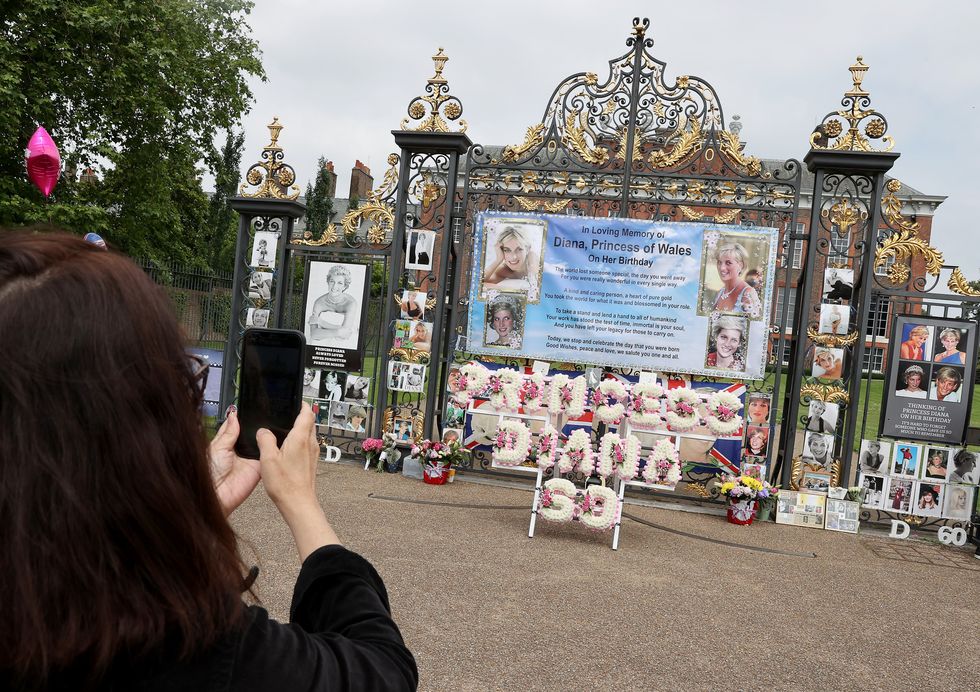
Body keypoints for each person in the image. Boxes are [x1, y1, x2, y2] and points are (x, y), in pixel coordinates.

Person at [0, 232, 417, 689]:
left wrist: (193, 510)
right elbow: (381, 672)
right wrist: (300, 503)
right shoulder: (179, 642)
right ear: (141, 427)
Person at [308, 265, 358, 344]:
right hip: (322, 341)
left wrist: (321, 322)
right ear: (328, 282)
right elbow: (313, 334)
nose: (335, 286)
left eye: (340, 283)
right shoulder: (319, 302)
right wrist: (339, 331)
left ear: (345, 286)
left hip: (344, 343)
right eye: (332, 281)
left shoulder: (350, 303)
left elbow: (346, 335)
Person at [710, 242, 761, 314]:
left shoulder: (748, 293)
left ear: (740, 265)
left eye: (728, 263)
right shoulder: (721, 292)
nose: (722, 268)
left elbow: (752, 322)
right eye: (719, 262)